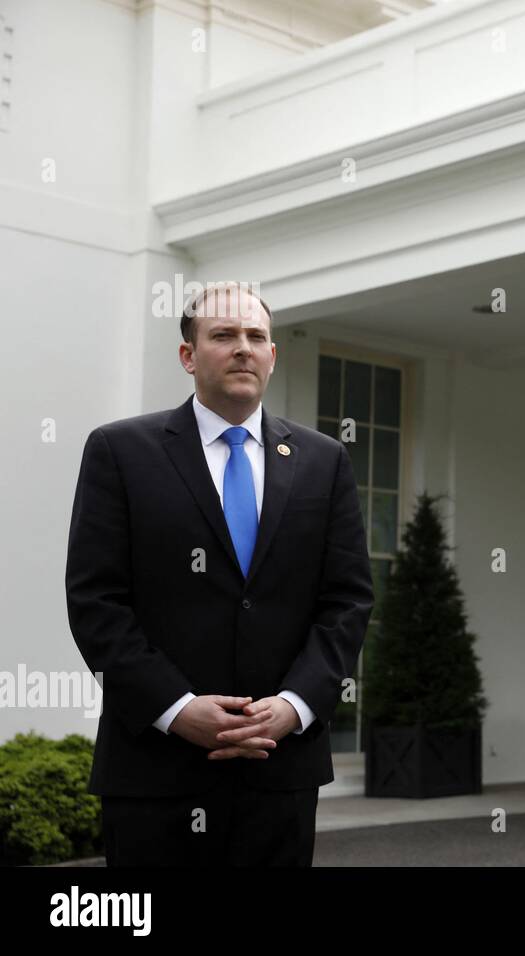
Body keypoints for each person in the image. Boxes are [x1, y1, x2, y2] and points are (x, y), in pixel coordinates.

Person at [65, 283, 373, 866]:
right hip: (156, 772)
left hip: (278, 770)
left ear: (273, 356)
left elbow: (348, 602)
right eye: (224, 335)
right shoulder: (120, 451)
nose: (243, 349)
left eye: (256, 337)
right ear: (188, 355)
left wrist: (295, 705)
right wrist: (177, 709)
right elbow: (95, 601)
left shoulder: (322, 461)